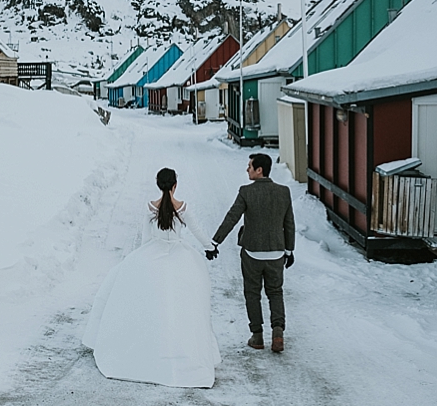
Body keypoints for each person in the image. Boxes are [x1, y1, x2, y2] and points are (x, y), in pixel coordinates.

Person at [82, 168, 221, 388]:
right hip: (179, 257)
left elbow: (146, 239)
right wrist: (209, 247)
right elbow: (197, 231)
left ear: (159, 185)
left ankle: (147, 352)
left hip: (152, 254)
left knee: (151, 305)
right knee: (182, 307)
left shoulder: (149, 208)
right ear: (175, 185)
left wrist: (140, 261)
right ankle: (182, 352)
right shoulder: (183, 208)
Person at [208, 153, 295, 353]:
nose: (247, 169)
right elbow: (289, 224)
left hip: (252, 254)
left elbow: (232, 218)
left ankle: (257, 336)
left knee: (252, 293)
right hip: (276, 253)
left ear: (259, 170)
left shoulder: (246, 192)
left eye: (250, 166)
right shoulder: (283, 192)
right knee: (275, 292)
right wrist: (289, 250)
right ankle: (278, 333)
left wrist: (215, 242)